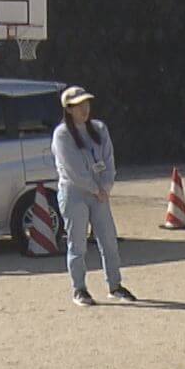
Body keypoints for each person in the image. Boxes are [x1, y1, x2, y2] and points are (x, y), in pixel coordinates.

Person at [50, 86, 134, 307]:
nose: (84, 109)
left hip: (100, 193)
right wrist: (95, 189)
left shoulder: (99, 128)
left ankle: (115, 285)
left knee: (109, 240)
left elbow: (109, 159)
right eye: (78, 105)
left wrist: (105, 186)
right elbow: (73, 170)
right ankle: (79, 288)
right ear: (68, 109)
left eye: (86, 103)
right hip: (75, 193)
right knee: (77, 244)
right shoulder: (62, 134)